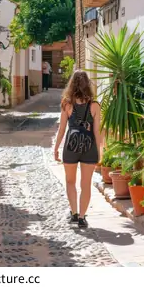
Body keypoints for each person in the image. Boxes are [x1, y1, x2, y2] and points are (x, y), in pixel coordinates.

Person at [53, 70, 102, 228]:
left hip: (71, 147)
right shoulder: (95, 106)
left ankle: (74, 213)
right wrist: (101, 151)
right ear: (88, 84)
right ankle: (82, 217)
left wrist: (56, 148)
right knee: (86, 184)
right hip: (89, 147)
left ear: (71, 84)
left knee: (70, 181)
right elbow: (97, 131)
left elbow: (61, 129)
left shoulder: (67, 104)